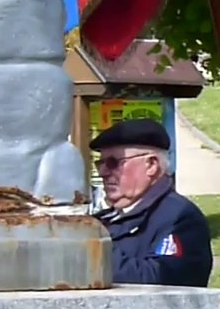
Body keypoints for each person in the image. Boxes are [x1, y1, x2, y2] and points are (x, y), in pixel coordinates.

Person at [90, 118, 212, 287]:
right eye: (100, 163)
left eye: (113, 163)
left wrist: (89, 250)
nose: (103, 172)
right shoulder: (104, 219)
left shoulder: (180, 218)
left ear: (151, 165)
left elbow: (162, 279)